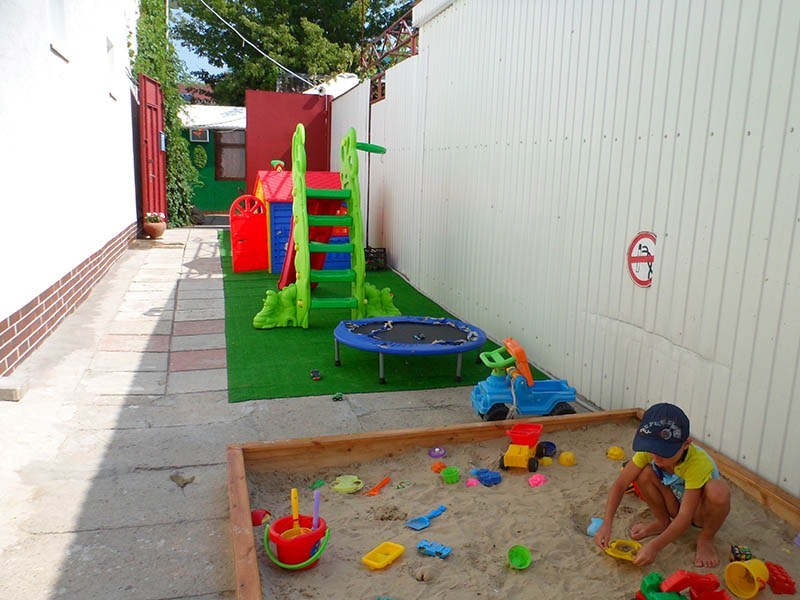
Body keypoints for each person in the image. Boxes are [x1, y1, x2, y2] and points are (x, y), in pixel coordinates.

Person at [594, 403, 731, 567]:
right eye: (653, 449)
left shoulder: (698, 463)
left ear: (686, 444)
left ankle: (706, 538)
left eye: (665, 452)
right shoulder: (650, 452)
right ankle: (661, 521)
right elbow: (620, 484)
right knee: (642, 473)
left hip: (697, 512)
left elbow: (685, 516)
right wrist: (607, 523)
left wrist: (654, 546)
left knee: (719, 491)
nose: (657, 458)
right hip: (673, 503)